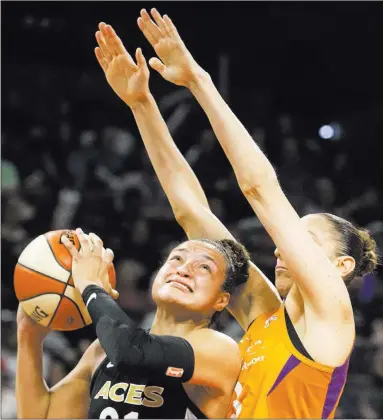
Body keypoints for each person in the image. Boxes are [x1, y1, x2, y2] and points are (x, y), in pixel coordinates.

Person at [134, 9, 379, 418]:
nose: (282, 248)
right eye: (289, 237)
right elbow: (191, 213)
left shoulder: (331, 315)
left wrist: (199, 80)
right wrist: (141, 103)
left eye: (305, 240)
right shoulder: (266, 316)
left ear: (341, 265)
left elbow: (258, 188)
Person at [16, 228, 249, 419]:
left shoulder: (219, 349)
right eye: (176, 258)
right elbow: (41, 415)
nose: (183, 269)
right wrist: (29, 336)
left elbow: (133, 353)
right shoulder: (102, 350)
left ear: (222, 300)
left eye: (204, 267)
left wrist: (90, 284)